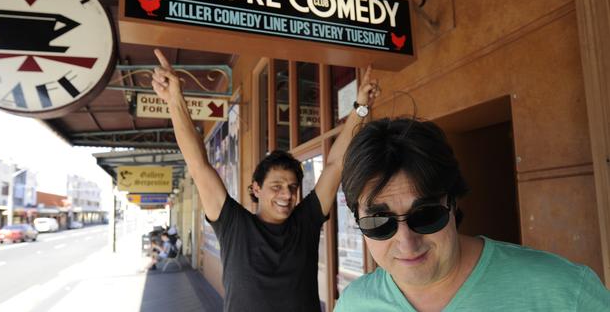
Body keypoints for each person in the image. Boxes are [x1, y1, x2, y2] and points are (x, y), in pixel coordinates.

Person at [151, 48, 379, 311]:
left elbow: (335, 163)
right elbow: (199, 164)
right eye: (277, 186)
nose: (287, 194)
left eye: (293, 187)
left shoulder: (305, 221)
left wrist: (361, 107)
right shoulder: (233, 224)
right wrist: (174, 99)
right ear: (256, 189)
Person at [335, 117, 610, 311]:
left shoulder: (564, 292)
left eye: (426, 215)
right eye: (379, 222)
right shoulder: (353, 305)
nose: (406, 242)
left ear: (453, 204)